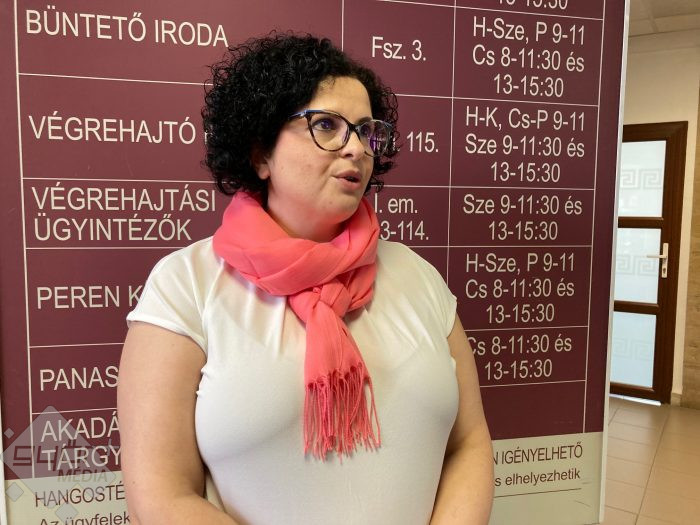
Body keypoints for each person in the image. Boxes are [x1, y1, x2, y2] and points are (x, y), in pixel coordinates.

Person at [117, 33, 493, 525]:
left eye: (365, 131)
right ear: (260, 153)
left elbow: (469, 444)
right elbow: (160, 497)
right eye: (327, 125)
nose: (355, 147)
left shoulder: (419, 279)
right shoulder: (187, 286)